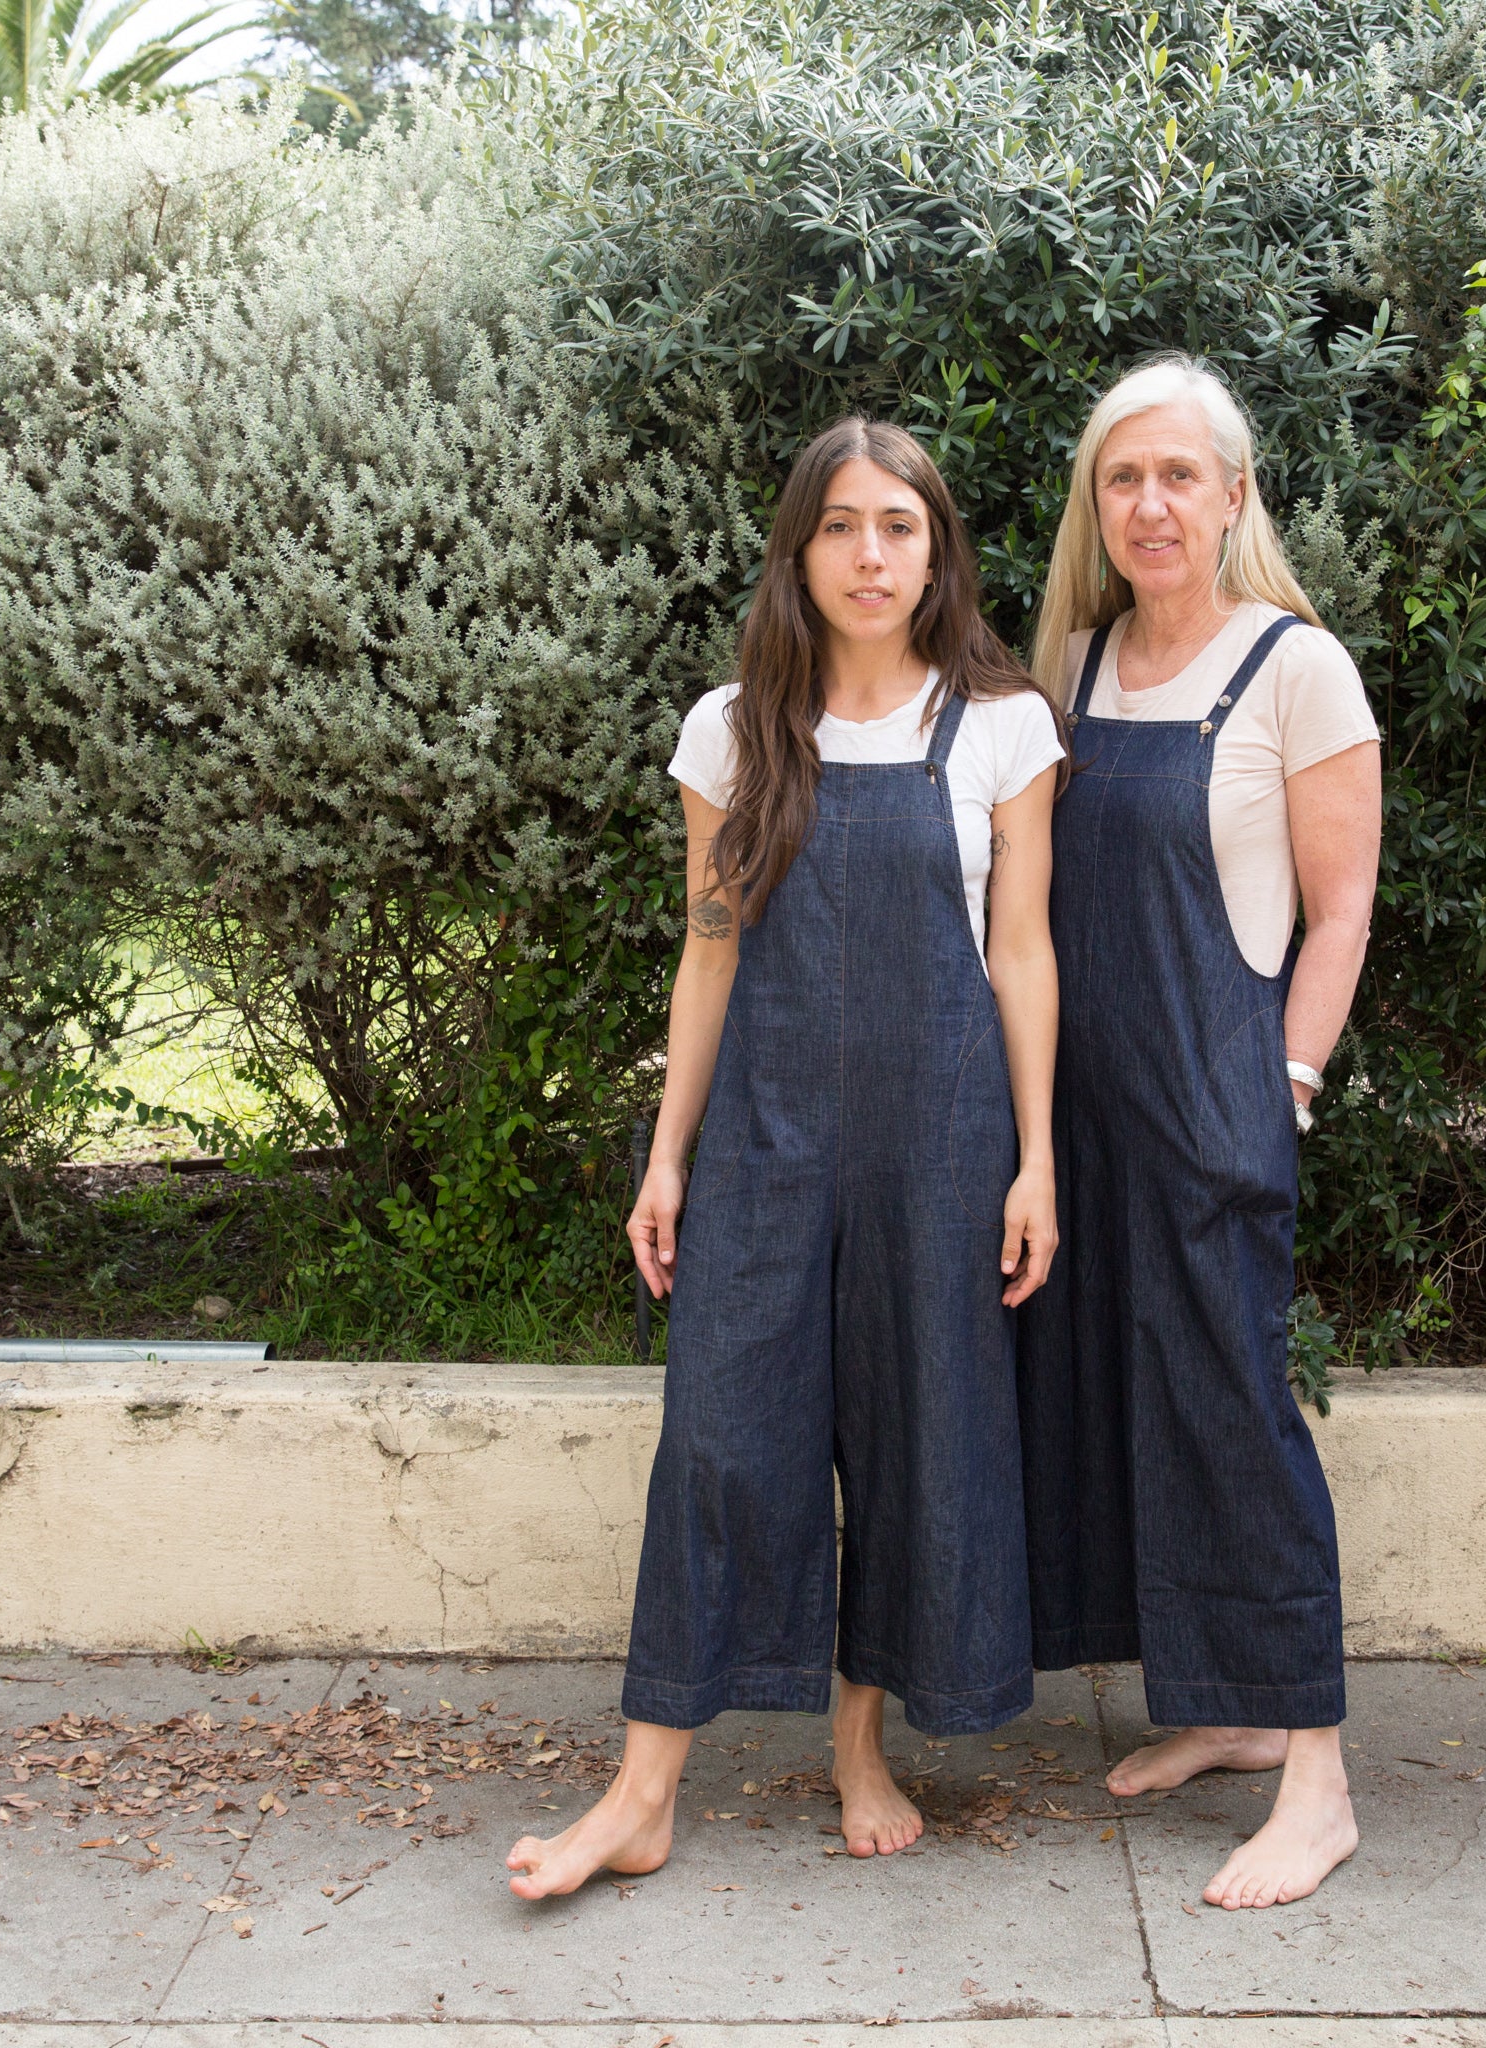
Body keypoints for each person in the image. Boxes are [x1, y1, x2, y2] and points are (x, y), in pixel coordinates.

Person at [507, 419, 1067, 1900]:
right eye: (839, 526)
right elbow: (709, 951)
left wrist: (1037, 1162)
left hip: (943, 1143)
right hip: (760, 1139)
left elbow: (1022, 954)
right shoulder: (732, 728)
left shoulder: (1003, 727)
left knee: (910, 1439)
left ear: (936, 548)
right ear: (797, 549)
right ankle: (641, 1793)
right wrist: (668, 1158)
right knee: (718, 1439)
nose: (870, 554)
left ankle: (859, 1747)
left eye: (898, 525)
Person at [1015, 355, 1384, 1911]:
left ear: (1237, 495)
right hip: (1081, 1122)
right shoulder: (1075, 670)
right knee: (1114, 1400)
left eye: (1181, 476)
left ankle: (1318, 1780)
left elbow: (1342, 904)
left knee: (1233, 1411)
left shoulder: (1297, 669)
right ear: (1097, 508)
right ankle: (1225, 1708)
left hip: (1214, 1107)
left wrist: (1284, 1087)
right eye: (1124, 479)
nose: (1152, 504)